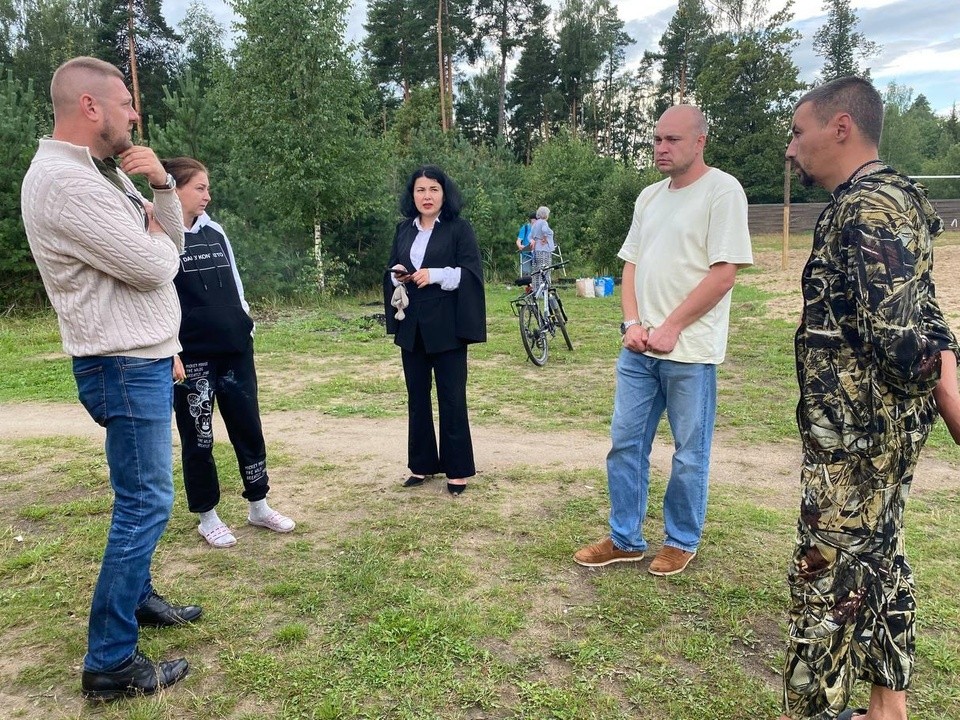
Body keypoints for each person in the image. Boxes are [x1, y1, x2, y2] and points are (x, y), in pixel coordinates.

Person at [778, 77, 960, 720]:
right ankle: (888, 707)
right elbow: (926, 313)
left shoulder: (870, 207)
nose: (791, 149)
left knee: (822, 577)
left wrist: (941, 384)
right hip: (876, 430)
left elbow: (902, 339)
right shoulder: (883, 199)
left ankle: (816, 713)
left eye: (799, 132)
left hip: (859, 438)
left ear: (841, 127)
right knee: (880, 561)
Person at [20, 56, 200, 700]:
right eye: (126, 102)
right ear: (90, 107)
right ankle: (110, 662)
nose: (135, 114)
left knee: (143, 496)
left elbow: (167, 248)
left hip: (138, 355)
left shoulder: (98, 177)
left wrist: (158, 196)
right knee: (146, 502)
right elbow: (156, 268)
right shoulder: (67, 185)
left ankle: (137, 597)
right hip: (121, 363)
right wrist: (156, 234)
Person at [573, 104, 753, 576]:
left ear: (700, 142)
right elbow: (629, 264)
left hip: (689, 352)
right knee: (625, 444)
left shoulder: (722, 191)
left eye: (672, 139)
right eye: (657, 139)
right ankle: (625, 538)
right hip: (638, 350)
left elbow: (724, 274)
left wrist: (671, 326)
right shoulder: (649, 197)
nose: (661, 147)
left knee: (690, 453)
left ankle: (681, 540)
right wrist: (631, 323)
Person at [161, 157, 296, 549]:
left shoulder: (215, 231)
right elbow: (156, 297)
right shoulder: (160, 234)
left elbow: (235, 285)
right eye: (200, 187)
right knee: (198, 437)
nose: (207, 195)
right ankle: (208, 516)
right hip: (192, 356)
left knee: (248, 428)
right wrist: (170, 350)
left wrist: (247, 321)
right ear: (175, 188)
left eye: (207, 187)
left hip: (235, 350)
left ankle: (259, 504)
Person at [384, 165, 486, 496]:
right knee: (416, 397)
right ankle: (422, 465)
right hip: (411, 326)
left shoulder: (459, 229)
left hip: (447, 328)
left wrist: (437, 274)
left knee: (452, 397)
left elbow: (470, 274)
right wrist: (397, 274)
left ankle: (457, 471)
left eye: (433, 190)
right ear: (411, 195)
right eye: (420, 190)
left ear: (444, 193)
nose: (427, 196)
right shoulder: (403, 229)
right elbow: (391, 268)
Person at [530, 206, 555, 293]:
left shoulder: (535, 224)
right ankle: (544, 291)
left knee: (536, 271)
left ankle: (536, 290)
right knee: (545, 270)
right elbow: (544, 230)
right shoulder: (543, 222)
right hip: (544, 249)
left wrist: (534, 241)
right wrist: (544, 238)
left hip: (536, 249)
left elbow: (530, 236)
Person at [516, 212, 536, 276]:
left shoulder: (539, 228)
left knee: (537, 271)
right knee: (526, 273)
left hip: (536, 252)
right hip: (526, 252)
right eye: (534, 219)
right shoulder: (525, 228)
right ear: (531, 220)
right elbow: (518, 240)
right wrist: (519, 245)